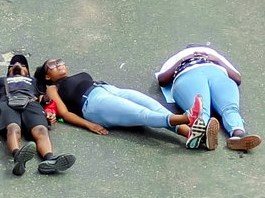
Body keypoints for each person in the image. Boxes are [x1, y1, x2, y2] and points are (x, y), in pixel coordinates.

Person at [38, 58, 205, 144]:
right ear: (47, 76)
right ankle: (187, 118)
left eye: (60, 62)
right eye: (52, 65)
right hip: (93, 104)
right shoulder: (52, 88)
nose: (59, 65)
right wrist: (89, 125)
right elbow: (64, 113)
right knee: (142, 114)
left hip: (111, 90)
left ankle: (191, 135)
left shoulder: (75, 76)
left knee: (154, 106)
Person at [0, 54, 75, 176]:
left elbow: (44, 99)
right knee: (13, 128)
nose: (17, 66)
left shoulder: (34, 81)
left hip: (31, 102)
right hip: (6, 102)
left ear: (28, 71)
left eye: (23, 65)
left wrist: (50, 113)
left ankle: (50, 160)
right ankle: (18, 157)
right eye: (12, 65)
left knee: (41, 130)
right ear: (8, 70)